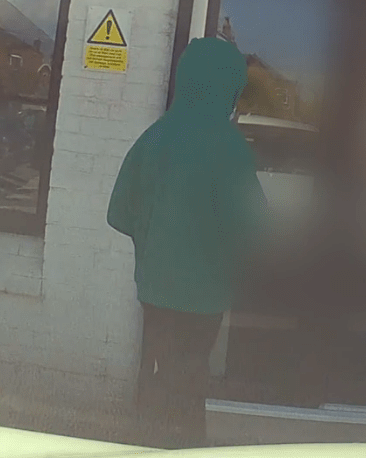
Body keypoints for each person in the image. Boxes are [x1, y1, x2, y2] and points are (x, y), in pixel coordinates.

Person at [107, 37, 265, 448]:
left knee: (158, 373)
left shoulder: (155, 137)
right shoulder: (229, 146)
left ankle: (143, 442)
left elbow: (117, 212)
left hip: (155, 289)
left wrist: (152, 240)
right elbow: (254, 226)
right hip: (205, 295)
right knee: (190, 382)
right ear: (227, 87)